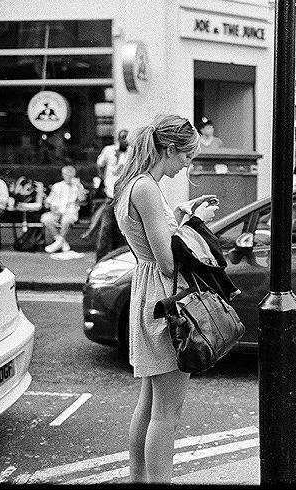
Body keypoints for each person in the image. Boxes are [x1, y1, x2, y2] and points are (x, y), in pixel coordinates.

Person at [112, 114, 220, 484]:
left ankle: (138, 479)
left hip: (150, 293)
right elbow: (169, 262)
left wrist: (179, 215)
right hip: (165, 298)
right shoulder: (146, 188)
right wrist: (195, 223)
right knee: (167, 412)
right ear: (169, 149)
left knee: (149, 403)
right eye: (187, 156)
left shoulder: (133, 184)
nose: (188, 164)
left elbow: (154, 233)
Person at [93, 128, 130, 261]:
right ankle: (100, 261)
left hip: (124, 198)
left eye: (127, 138)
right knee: (105, 230)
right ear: (118, 139)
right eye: (122, 137)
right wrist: (103, 180)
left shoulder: (131, 153)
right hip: (110, 197)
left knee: (123, 231)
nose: (125, 140)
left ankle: (120, 260)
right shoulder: (108, 150)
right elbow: (99, 164)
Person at [41, 165, 87, 253]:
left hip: (71, 212)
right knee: (46, 219)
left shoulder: (78, 186)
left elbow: (82, 200)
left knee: (66, 221)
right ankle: (61, 243)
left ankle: (58, 243)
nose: (68, 176)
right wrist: (53, 209)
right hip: (57, 211)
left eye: (70, 174)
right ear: (63, 175)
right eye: (66, 174)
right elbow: (49, 201)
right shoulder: (57, 186)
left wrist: (79, 186)